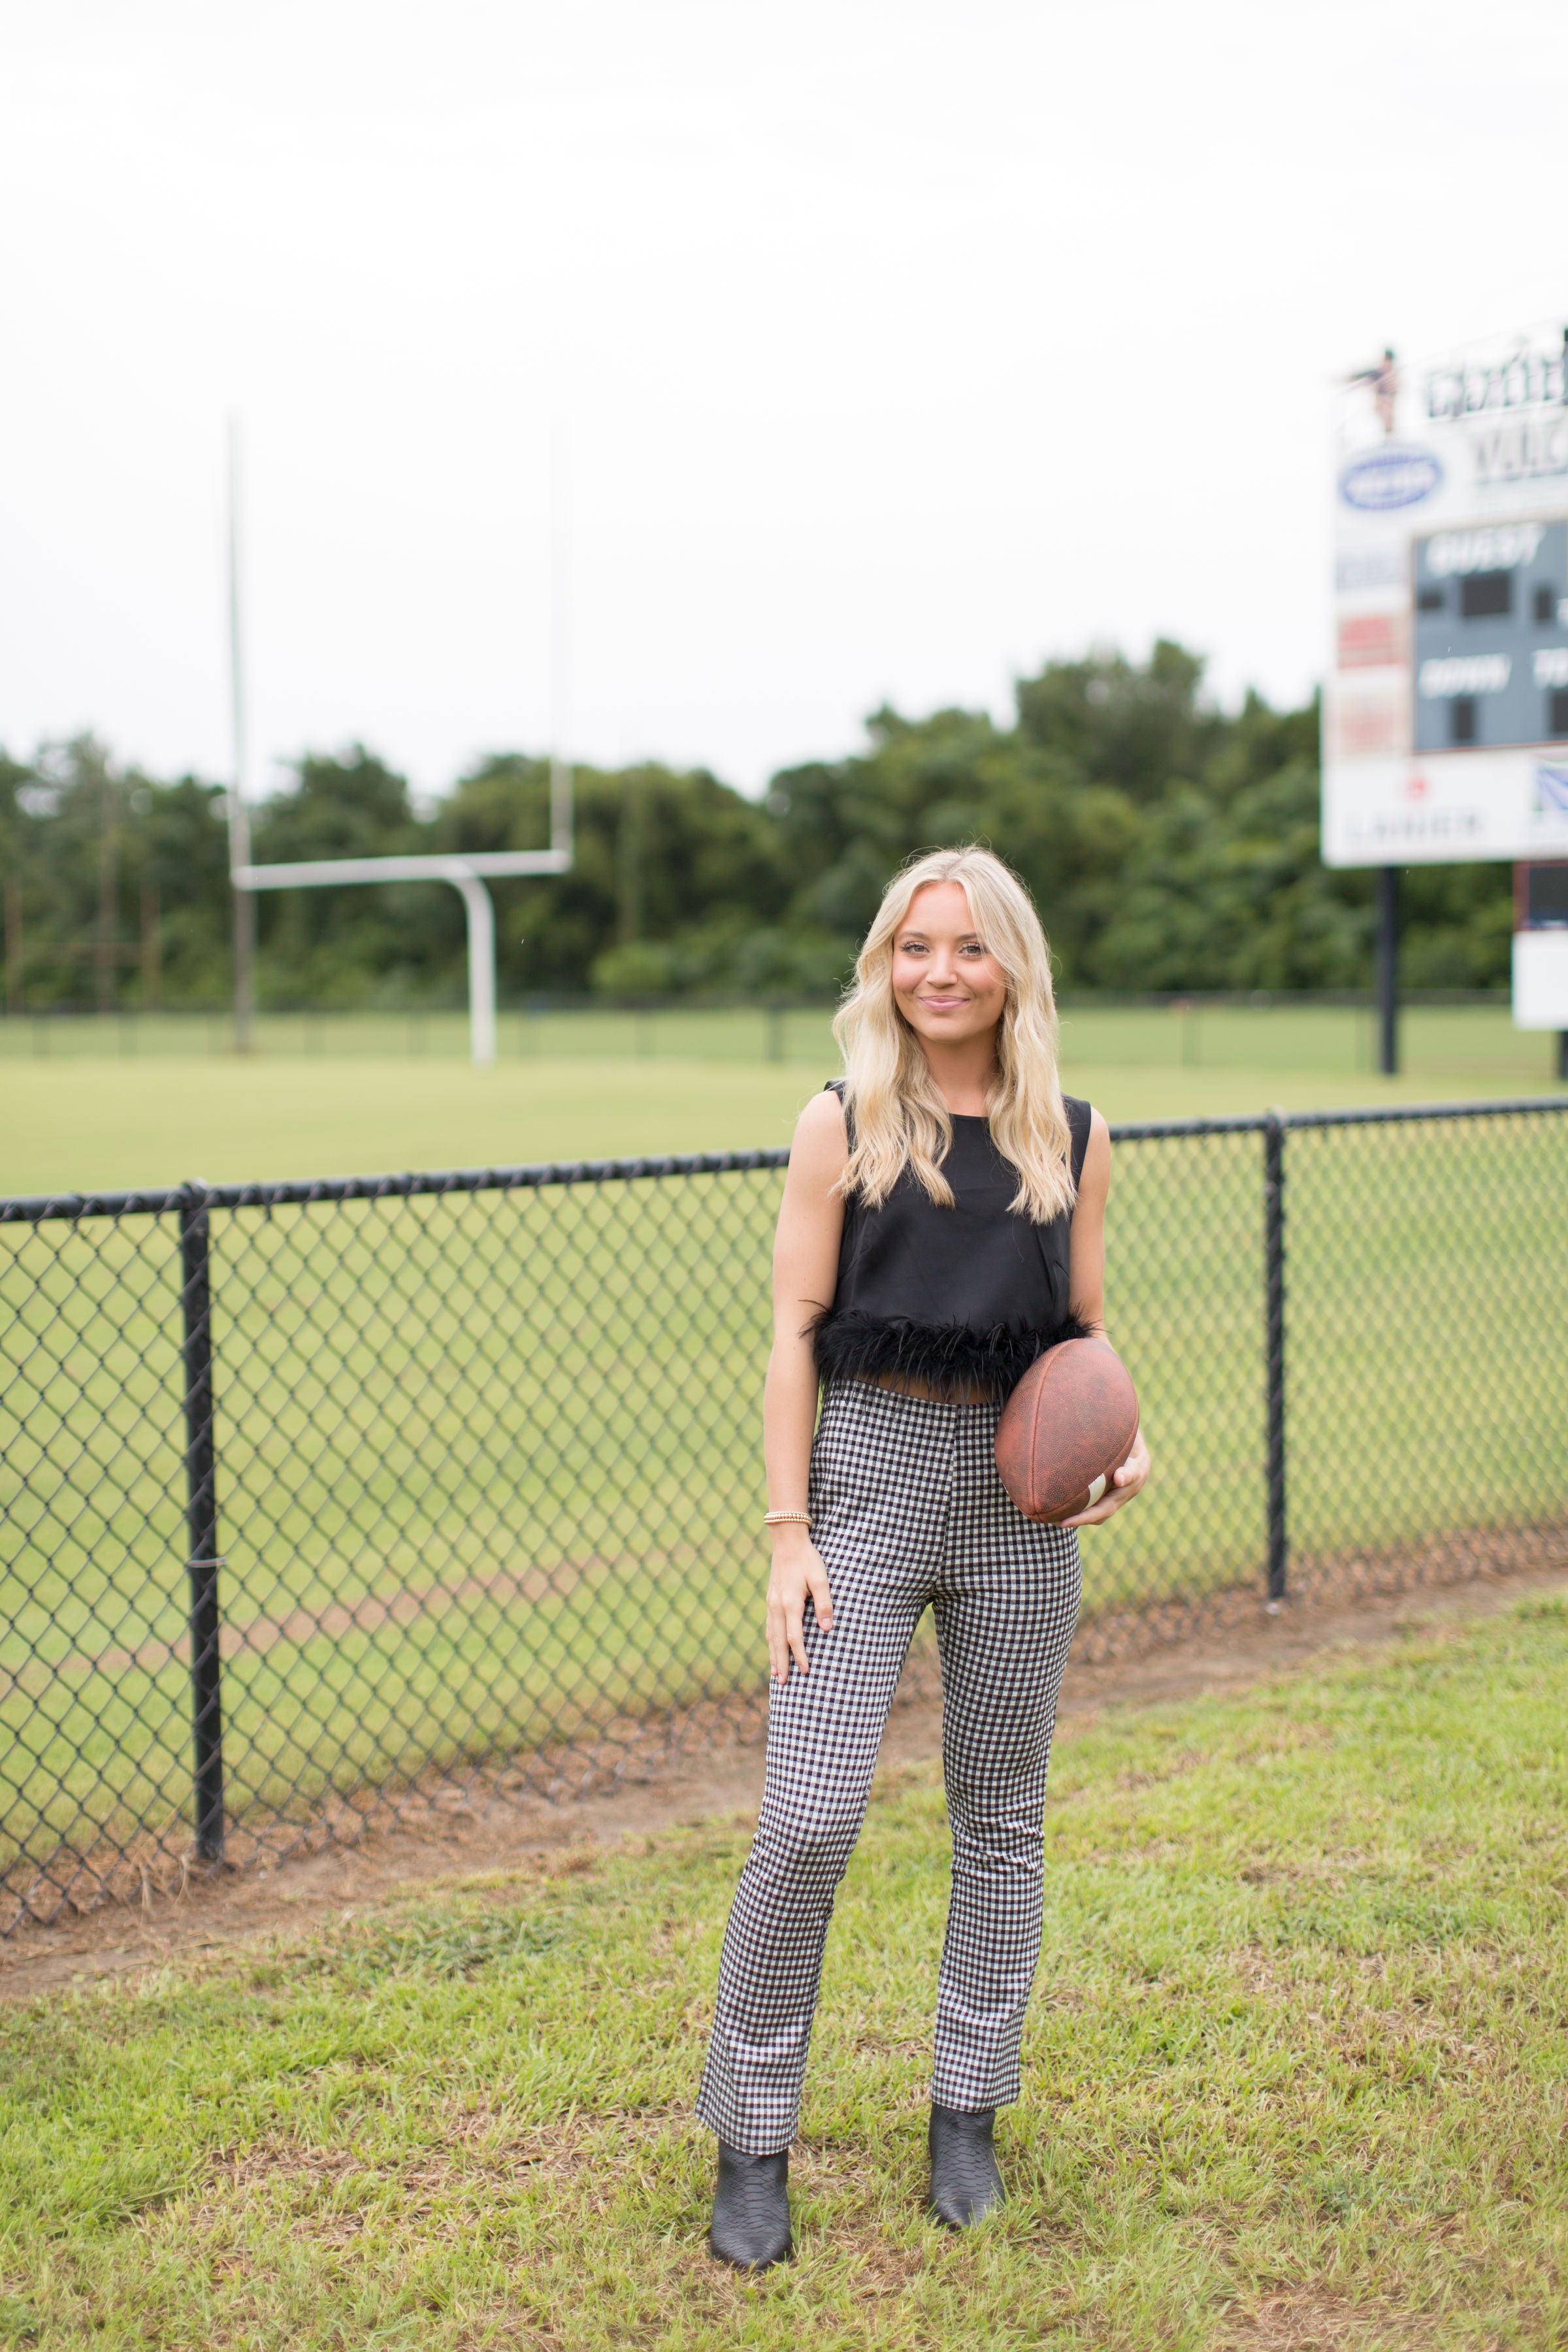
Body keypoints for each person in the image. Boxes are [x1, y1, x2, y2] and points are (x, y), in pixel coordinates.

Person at [696, 845, 1151, 2267]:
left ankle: (968, 2115)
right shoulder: (841, 1121)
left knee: (1002, 1815)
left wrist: (1123, 1436)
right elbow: (792, 1338)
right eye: (914, 946)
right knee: (808, 1817)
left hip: (1021, 1502)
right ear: (885, 963)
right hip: (868, 1483)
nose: (938, 972)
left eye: (967, 946)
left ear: (1014, 964)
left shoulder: (1074, 1133)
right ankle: (751, 2141)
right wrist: (788, 1536)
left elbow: (1083, 1331)